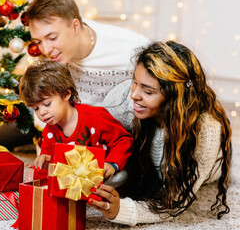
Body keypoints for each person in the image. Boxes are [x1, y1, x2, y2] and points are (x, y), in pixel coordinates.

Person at [0, 0, 149, 148]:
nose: (45, 50)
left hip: (99, 125)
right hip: (56, 113)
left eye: (52, 38)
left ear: (75, 27)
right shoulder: (50, 53)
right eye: (38, 41)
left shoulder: (131, 48)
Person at [87, 41, 232, 225]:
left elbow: (175, 203)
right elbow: (95, 137)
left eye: (147, 91)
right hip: (145, 157)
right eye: (134, 82)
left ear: (174, 98)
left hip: (207, 167)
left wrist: (120, 210)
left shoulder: (205, 132)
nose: (134, 95)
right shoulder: (123, 97)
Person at [19, 60, 134, 179]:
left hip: (104, 177)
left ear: (66, 94)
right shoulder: (49, 132)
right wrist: (45, 160)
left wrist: (112, 164)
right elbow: (48, 157)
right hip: (75, 183)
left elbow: (123, 140)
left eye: (47, 104)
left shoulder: (95, 118)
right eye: (36, 108)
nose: (42, 112)